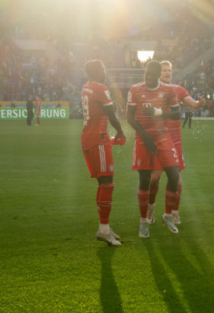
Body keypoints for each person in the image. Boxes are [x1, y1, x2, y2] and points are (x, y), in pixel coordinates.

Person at [127, 60, 182, 237]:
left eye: (152, 74)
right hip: (143, 138)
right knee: (145, 180)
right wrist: (143, 135)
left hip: (162, 136)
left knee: (174, 175)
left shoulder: (168, 90)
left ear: (158, 75)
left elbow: (177, 113)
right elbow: (129, 116)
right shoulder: (135, 89)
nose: (148, 77)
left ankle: (167, 215)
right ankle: (143, 221)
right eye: (146, 74)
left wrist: (159, 112)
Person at [146, 61, 206, 225]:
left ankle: (173, 212)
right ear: (159, 72)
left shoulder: (178, 90)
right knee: (154, 178)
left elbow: (193, 104)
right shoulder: (150, 90)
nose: (167, 72)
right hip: (158, 139)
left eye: (169, 70)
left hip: (174, 141)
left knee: (176, 178)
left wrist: (199, 103)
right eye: (164, 70)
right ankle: (150, 208)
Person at [81, 60, 126, 246]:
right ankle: (104, 229)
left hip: (91, 138)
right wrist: (121, 132)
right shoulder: (100, 88)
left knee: (103, 184)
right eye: (104, 69)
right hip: (97, 139)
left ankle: (104, 227)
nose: (106, 72)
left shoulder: (86, 87)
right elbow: (111, 114)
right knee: (108, 183)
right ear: (98, 71)